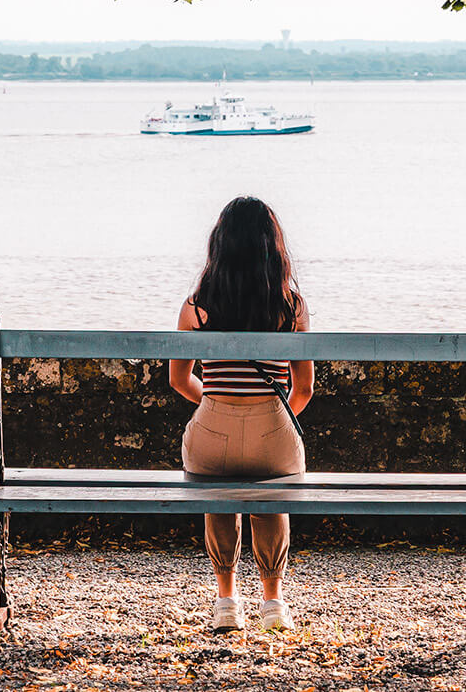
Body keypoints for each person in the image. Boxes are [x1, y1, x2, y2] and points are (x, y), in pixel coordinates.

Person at [169, 196, 315, 633]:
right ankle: (274, 603)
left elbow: (179, 381)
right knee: (272, 496)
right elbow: (303, 388)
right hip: (273, 427)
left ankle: (227, 600)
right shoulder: (291, 305)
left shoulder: (197, 305)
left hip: (213, 430)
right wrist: (269, 414)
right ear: (273, 246)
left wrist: (219, 407)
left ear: (220, 244)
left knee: (217, 493)